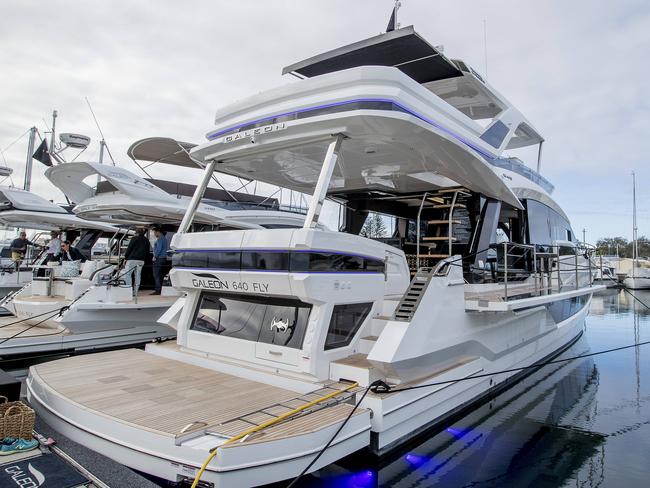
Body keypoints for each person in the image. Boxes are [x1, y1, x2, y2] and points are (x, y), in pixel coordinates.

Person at [151, 227, 168, 295]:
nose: (154, 234)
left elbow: (158, 249)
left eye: (155, 232)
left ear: (158, 232)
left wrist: (155, 256)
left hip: (159, 258)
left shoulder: (160, 238)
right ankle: (159, 289)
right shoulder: (164, 238)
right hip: (163, 258)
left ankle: (157, 290)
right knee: (160, 274)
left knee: (156, 274)